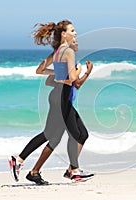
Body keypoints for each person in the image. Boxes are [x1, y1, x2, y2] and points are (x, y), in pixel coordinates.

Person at [8, 20, 93, 185]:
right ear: (64, 34)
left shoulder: (57, 51)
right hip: (61, 99)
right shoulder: (68, 52)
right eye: (73, 31)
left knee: (55, 135)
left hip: (59, 97)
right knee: (75, 134)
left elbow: (40, 71)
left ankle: (23, 163)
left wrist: (58, 75)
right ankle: (73, 171)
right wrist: (81, 70)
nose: (75, 34)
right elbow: (74, 79)